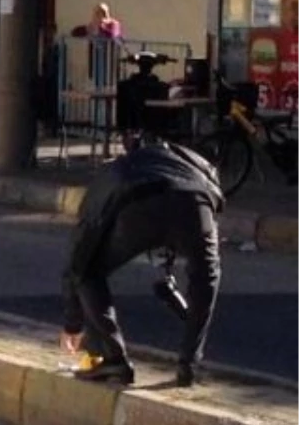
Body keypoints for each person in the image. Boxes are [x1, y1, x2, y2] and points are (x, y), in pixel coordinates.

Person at [60, 134, 224, 388]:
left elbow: (79, 254)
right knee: (206, 277)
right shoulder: (195, 165)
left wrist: (73, 322)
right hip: (196, 204)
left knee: (89, 271)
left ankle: (113, 359)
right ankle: (189, 365)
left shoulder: (115, 173)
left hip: (140, 206)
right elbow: (215, 198)